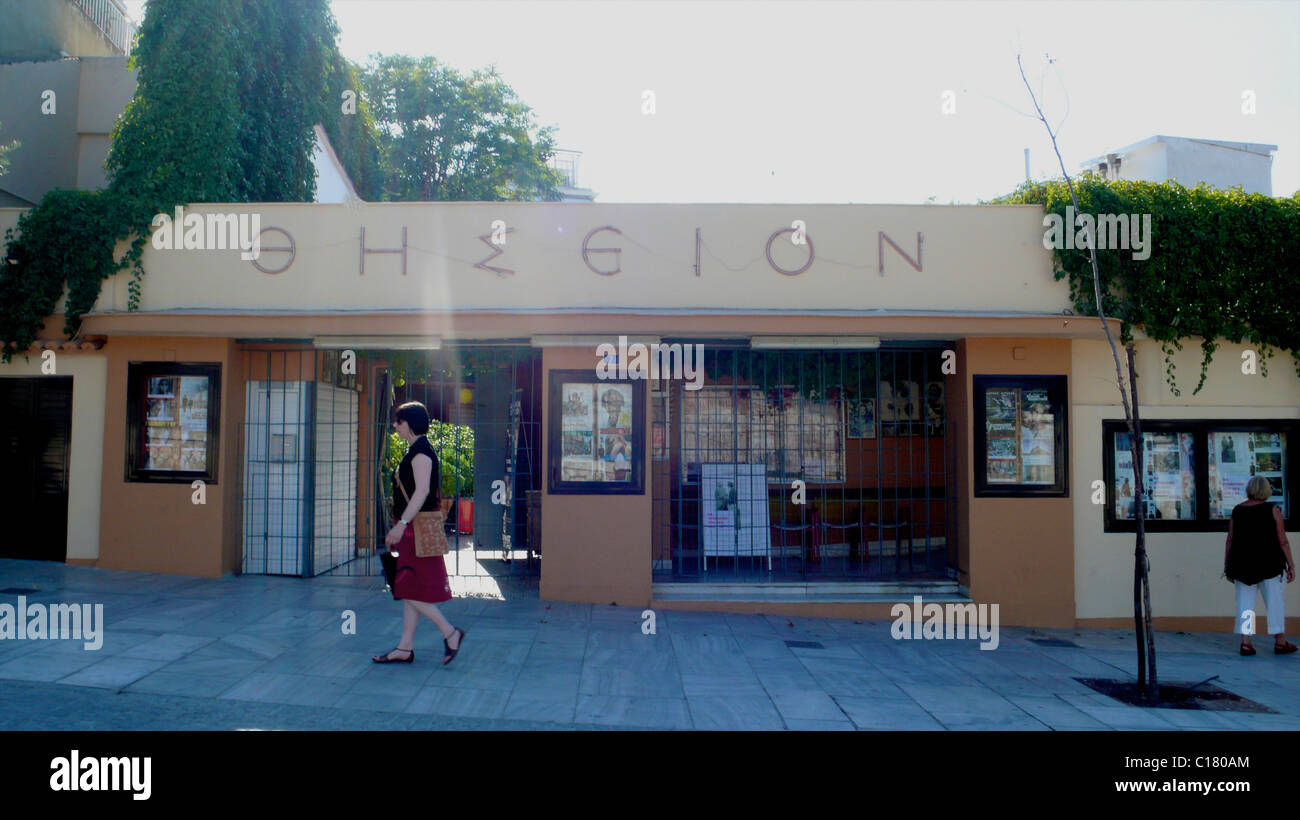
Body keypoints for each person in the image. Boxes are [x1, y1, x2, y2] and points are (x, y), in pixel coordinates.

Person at [373, 401, 466, 665]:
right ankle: (404, 648)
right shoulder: (416, 450)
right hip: (415, 528)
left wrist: (401, 524)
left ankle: (450, 633)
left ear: (410, 423)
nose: (395, 425)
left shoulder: (421, 453)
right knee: (408, 586)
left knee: (408, 588)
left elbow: (423, 491)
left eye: (398, 421)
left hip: (417, 529)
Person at [1224, 475, 1296, 655]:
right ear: (1266, 490)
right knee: (1275, 603)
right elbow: (1283, 541)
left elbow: (1230, 540)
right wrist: (1291, 565)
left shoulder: (1237, 510)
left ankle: (1246, 642)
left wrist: (1228, 565)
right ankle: (1279, 640)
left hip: (1242, 565)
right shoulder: (1272, 510)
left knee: (1245, 604)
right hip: (1269, 564)